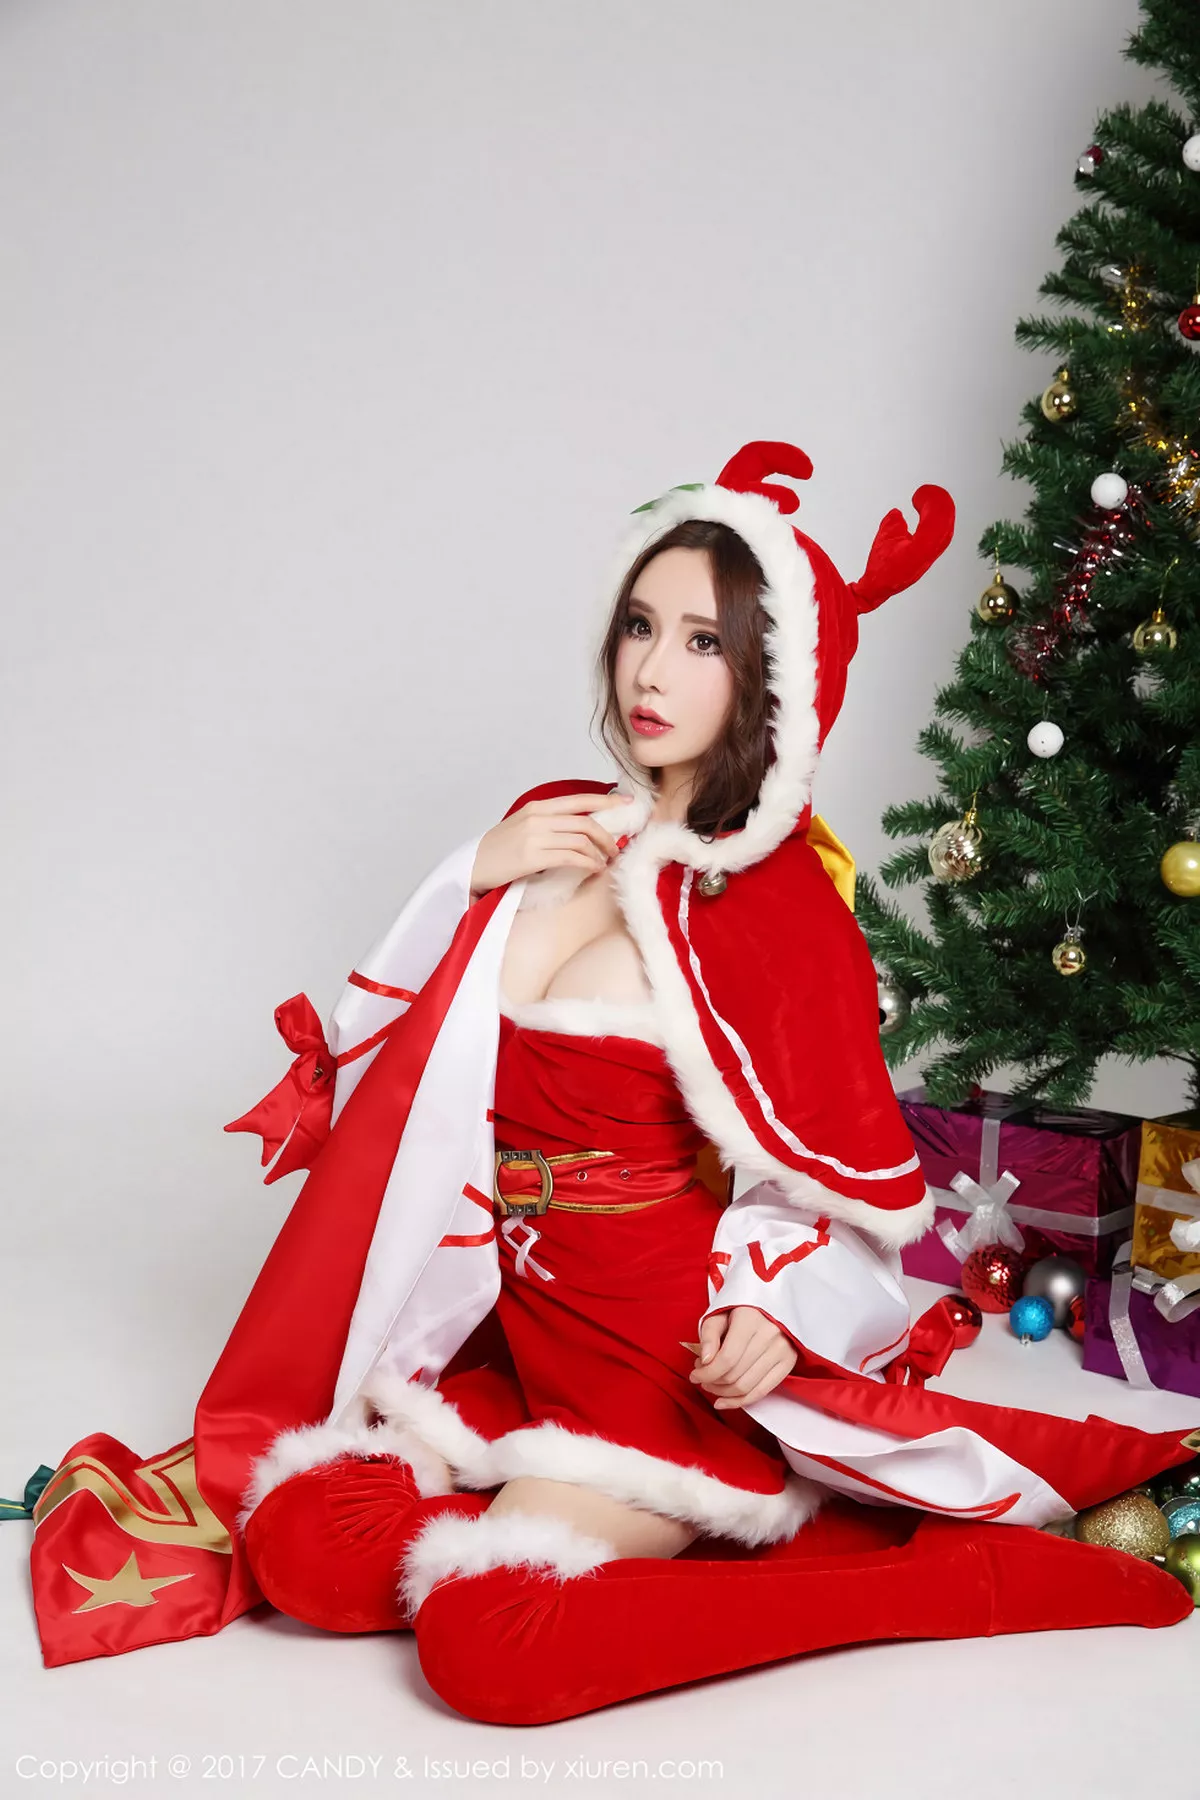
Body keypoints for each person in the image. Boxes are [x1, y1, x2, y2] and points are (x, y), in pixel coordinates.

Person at [21, 440, 1197, 1710]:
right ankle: (531, 1514)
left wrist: (768, 1310)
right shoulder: (560, 824)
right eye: (641, 625)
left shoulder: (777, 901)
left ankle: (943, 1583)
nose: (649, 670)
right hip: (521, 1336)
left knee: (486, 1646)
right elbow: (401, 1067)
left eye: (702, 642)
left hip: (662, 1368)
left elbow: (846, 1179)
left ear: (774, 678)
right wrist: (474, 869)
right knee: (301, 1545)